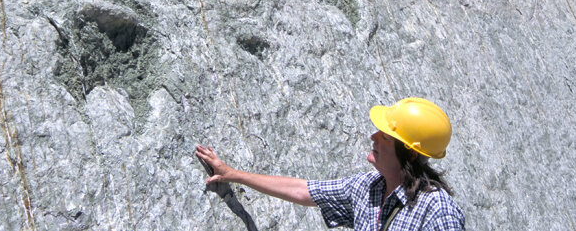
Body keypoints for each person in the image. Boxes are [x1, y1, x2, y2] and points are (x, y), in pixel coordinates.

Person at [195, 97, 464, 231]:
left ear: (410, 153)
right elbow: (302, 191)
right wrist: (233, 174)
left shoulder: (437, 209)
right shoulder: (367, 187)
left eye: (384, 135)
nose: (373, 137)